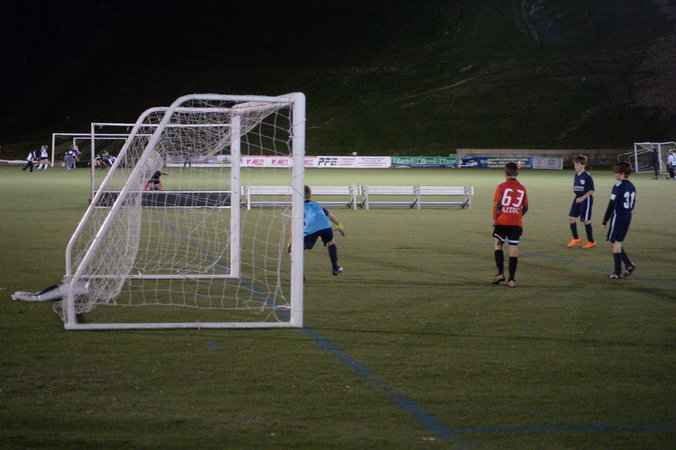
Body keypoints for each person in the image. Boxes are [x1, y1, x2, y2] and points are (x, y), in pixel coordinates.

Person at [492, 162, 529, 288]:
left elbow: (496, 204)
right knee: (513, 250)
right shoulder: (522, 188)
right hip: (516, 223)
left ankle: (500, 274)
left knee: (498, 245)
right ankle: (512, 279)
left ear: (505, 173)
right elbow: (526, 207)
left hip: (502, 221)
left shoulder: (501, 186)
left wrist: (494, 218)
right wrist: (517, 215)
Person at [601, 162, 637, 279]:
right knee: (616, 242)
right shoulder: (632, 186)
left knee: (614, 243)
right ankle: (629, 265)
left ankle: (617, 272)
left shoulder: (618, 186)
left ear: (621, 173)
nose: (614, 174)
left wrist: (604, 221)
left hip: (618, 217)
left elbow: (611, 205)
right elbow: (633, 204)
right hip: (627, 216)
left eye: (615, 172)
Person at [303, 185, 345, 276]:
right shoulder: (316, 204)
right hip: (326, 227)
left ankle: (299, 274)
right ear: (310, 195)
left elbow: (295, 224)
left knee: (300, 249)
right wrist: (339, 225)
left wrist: (291, 240)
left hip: (311, 228)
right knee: (331, 243)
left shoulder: (299, 207)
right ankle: (335, 268)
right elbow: (330, 216)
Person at [567, 155, 596, 248]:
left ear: (583, 165)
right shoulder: (576, 175)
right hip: (577, 198)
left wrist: (582, 198)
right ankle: (576, 238)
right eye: (575, 165)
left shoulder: (587, 176)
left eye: (578, 165)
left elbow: (591, 190)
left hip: (586, 199)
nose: (576, 167)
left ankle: (591, 241)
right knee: (571, 217)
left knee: (585, 220)